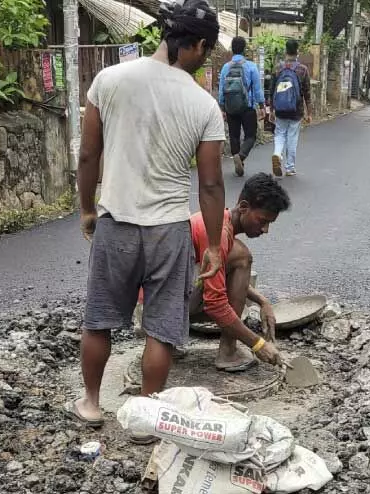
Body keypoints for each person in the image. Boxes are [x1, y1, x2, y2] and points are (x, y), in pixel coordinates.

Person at [73, 0, 226, 443]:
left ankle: (90, 403)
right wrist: (213, 244)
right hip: (169, 231)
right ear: (197, 45)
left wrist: (87, 209)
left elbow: (88, 155)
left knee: (99, 319)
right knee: (161, 328)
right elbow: (212, 185)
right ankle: (145, 421)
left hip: (116, 222)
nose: (203, 59)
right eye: (205, 51)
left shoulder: (110, 80)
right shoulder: (203, 104)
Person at [190, 173, 288, 371]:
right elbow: (215, 305)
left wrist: (263, 302)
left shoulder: (220, 222)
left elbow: (212, 275)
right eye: (262, 221)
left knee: (238, 258)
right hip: (164, 308)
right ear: (243, 207)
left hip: (163, 302)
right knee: (242, 257)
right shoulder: (217, 234)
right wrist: (258, 344)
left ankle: (167, 340)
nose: (265, 229)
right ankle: (227, 351)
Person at [219, 36, 265, 177]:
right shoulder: (251, 66)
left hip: (231, 107)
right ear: (244, 49)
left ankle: (237, 160)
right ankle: (242, 156)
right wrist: (262, 105)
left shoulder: (226, 67)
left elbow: (221, 90)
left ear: (232, 49)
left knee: (234, 135)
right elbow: (257, 89)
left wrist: (222, 107)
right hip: (247, 107)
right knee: (250, 136)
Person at [270, 39, 312, 177]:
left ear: (285, 51)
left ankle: (277, 153)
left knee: (280, 133)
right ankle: (290, 167)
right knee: (292, 137)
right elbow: (307, 93)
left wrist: (271, 109)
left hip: (280, 108)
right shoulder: (302, 70)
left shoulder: (278, 68)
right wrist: (309, 112)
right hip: (296, 110)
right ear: (297, 52)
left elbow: (271, 91)